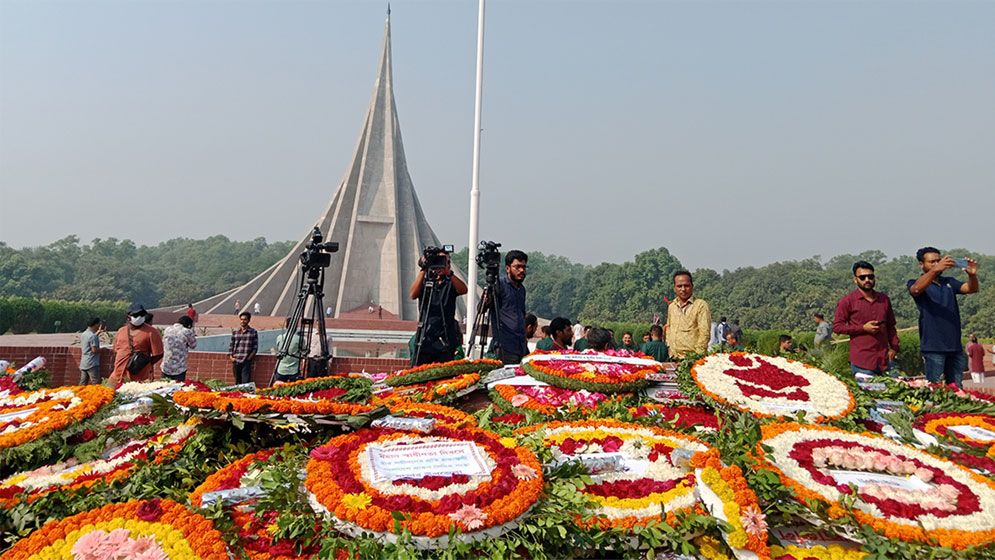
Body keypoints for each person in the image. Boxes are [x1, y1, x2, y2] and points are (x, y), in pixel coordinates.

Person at [908, 247, 979, 388]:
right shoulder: (916, 283)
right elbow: (915, 289)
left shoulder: (949, 282)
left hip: (954, 346)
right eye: (931, 262)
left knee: (957, 388)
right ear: (921, 265)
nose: (936, 264)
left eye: (938, 261)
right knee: (935, 389)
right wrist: (936, 270)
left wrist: (972, 275)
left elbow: (971, 289)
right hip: (934, 347)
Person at [833, 261, 899, 376]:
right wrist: (863, 328)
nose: (867, 280)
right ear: (855, 279)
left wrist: (894, 347)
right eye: (862, 277)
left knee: (896, 391)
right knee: (870, 393)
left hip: (885, 360)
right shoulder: (847, 301)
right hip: (862, 361)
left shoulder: (884, 299)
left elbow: (891, 326)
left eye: (870, 276)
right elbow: (837, 327)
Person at [409, 248, 468, 365]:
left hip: (446, 337)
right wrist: (424, 269)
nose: (439, 265)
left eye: (443, 261)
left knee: (445, 377)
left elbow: (463, 290)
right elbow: (412, 294)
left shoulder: (450, 282)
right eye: (437, 261)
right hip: (426, 337)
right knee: (420, 373)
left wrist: (449, 273)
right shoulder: (426, 283)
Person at [109, 303, 164, 386]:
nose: (139, 317)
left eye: (142, 314)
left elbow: (158, 354)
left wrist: (144, 364)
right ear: (128, 317)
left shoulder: (152, 332)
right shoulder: (121, 331)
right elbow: (116, 350)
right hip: (117, 375)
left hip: (139, 377)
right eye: (136, 315)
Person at [493, 250, 529, 364]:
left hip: (521, 345)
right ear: (508, 268)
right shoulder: (499, 285)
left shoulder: (522, 289)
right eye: (517, 267)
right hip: (505, 345)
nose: (522, 270)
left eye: (524, 267)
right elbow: (482, 308)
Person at [666, 271, 711, 358]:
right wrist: (669, 347)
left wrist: (697, 356)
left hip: (693, 358)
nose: (683, 289)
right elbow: (669, 327)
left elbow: (705, 333)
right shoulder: (672, 306)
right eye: (679, 286)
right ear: (674, 288)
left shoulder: (700, 305)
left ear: (692, 286)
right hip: (674, 357)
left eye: (686, 286)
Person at [161, 315, 197, 381]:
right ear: (188, 325)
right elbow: (193, 345)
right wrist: (192, 332)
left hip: (166, 365)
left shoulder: (167, 329)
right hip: (179, 367)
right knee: (177, 389)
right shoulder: (187, 332)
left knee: (164, 388)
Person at [229, 312, 258, 385]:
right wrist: (231, 357)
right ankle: (237, 396)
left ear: (248, 320)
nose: (242, 321)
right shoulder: (236, 332)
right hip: (236, 360)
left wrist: (249, 358)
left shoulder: (253, 332)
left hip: (246, 360)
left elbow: (255, 347)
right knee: (237, 381)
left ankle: (244, 395)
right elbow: (231, 345)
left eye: (245, 319)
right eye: (241, 319)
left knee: (245, 382)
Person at [273, 318, 304, 384]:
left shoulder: (279, 337)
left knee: (278, 390)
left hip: (281, 369)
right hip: (294, 370)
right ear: (295, 326)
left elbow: (278, 349)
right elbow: (303, 352)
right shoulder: (300, 339)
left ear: (286, 326)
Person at [79, 317, 104, 385]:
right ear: (95, 324)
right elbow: (94, 350)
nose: (99, 325)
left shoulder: (84, 334)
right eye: (99, 323)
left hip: (84, 362)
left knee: (82, 383)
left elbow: (90, 340)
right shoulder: (93, 336)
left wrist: (97, 333)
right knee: (95, 383)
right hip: (92, 363)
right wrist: (103, 349)